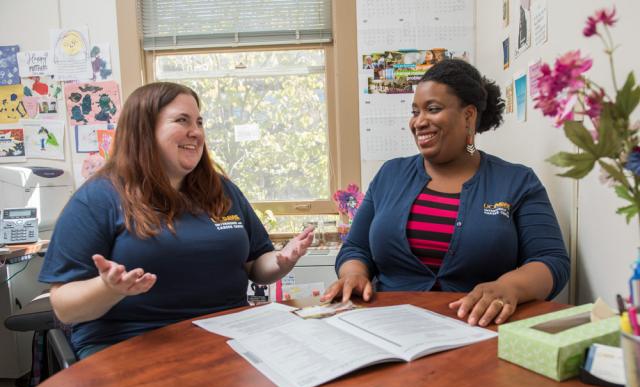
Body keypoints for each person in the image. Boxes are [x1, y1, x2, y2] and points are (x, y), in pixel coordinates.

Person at [40, 82, 314, 359]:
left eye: (199, 121)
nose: (196, 132)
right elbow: (64, 306)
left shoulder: (222, 190)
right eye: (182, 120)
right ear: (144, 130)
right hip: (132, 343)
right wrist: (108, 289)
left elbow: (257, 264)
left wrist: (281, 260)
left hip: (229, 337)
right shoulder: (98, 198)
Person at [323, 59, 569, 327]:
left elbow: (551, 260)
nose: (419, 121)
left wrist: (509, 286)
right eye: (415, 111)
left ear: (468, 116)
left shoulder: (516, 181)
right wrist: (354, 273)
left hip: (479, 330)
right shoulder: (390, 175)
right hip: (388, 329)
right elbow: (357, 247)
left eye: (433, 109)